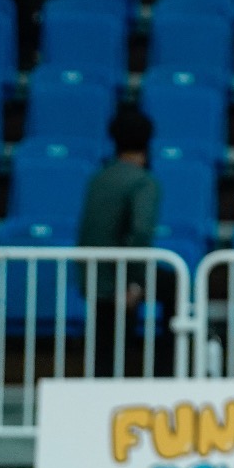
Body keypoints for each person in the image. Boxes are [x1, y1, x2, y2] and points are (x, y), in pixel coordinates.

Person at [78, 108, 164, 378]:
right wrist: (133, 283)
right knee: (174, 288)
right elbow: (139, 233)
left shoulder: (98, 179)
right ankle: (169, 371)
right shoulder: (143, 182)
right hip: (119, 280)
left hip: (94, 277)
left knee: (104, 352)